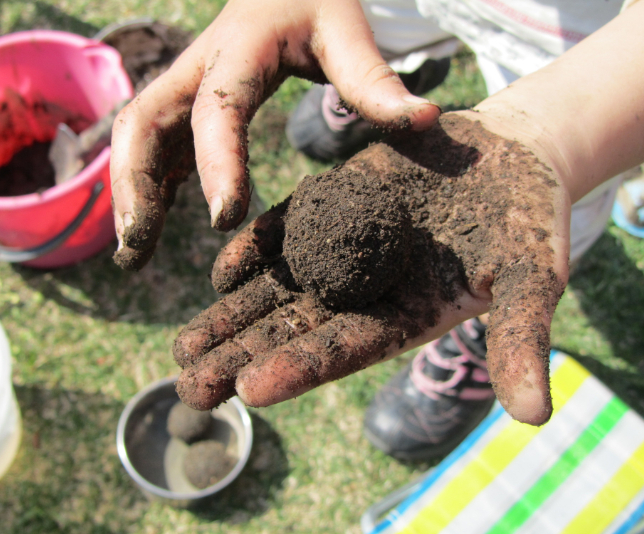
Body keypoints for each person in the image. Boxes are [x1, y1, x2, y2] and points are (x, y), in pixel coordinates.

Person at [109, 0, 644, 457]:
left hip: (584, 40)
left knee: (559, 210)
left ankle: (472, 320)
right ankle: (379, 88)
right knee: (376, 34)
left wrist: (555, 130)